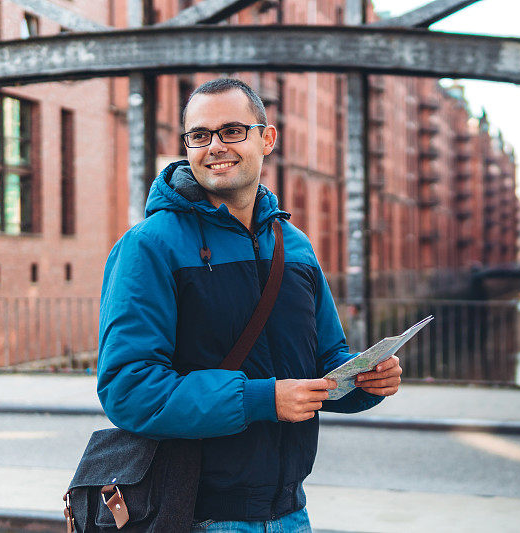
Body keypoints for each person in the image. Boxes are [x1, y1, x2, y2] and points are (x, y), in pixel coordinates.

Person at [97, 78, 403, 531]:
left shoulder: (294, 246)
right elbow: (129, 389)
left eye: (232, 131)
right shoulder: (149, 247)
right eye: (200, 135)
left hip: (290, 513)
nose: (215, 146)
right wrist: (263, 399)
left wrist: (363, 379)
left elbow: (326, 358)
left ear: (267, 138)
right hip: (197, 515)